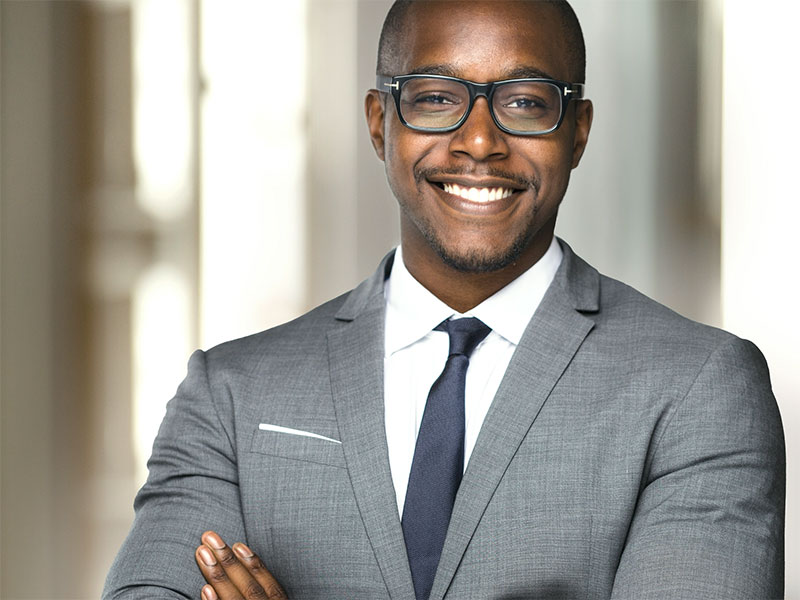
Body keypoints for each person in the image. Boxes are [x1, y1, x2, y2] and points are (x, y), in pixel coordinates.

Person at [103, 1, 785, 599]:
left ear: (576, 131)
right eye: (434, 98)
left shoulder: (700, 389)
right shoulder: (230, 394)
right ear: (380, 124)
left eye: (525, 101)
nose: (481, 141)